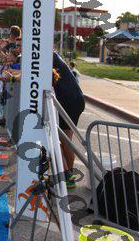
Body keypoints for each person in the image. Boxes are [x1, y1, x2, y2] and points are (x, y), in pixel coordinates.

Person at [52, 51, 85, 189]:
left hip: (69, 100)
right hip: (73, 99)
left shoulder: (46, 55)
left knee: (62, 139)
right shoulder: (51, 55)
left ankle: (68, 177)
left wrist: (12, 78)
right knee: (64, 139)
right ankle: (68, 175)